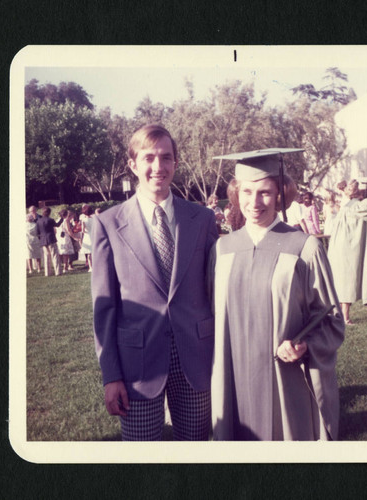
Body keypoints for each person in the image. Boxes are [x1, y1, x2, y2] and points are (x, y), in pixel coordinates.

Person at [92, 124, 218, 441]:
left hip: (195, 358)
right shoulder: (108, 224)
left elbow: (217, 291)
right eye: (149, 158)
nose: (158, 167)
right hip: (137, 366)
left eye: (166, 157)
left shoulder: (202, 219)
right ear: (133, 164)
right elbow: (104, 307)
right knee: (143, 456)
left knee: (196, 451)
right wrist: (111, 375)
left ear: (176, 162)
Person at [210, 150, 344, 441]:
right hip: (233, 377)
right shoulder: (222, 250)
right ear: (235, 193)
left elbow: (332, 321)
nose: (254, 202)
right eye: (247, 191)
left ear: (281, 195)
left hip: (285, 378)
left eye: (265, 193)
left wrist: (305, 344)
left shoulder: (304, 247)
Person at [327, 179, 367, 325]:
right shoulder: (361, 206)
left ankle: (340, 314)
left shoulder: (345, 206)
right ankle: (345, 317)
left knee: (341, 280)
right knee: (348, 281)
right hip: (349, 249)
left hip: (338, 247)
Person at [36, 207, 62, 276]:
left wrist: (40, 238)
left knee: (46, 257)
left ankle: (47, 273)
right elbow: (57, 225)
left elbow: (37, 232)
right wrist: (62, 218)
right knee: (55, 255)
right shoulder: (50, 220)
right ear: (49, 213)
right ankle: (58, 272)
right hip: (51, 239)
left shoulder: (38, 221)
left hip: (43, 240)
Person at [80, 204, 94, 272]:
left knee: (89, 253)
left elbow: (82, 230)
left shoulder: (83, 220)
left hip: (87, 236)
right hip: (93, 235)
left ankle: (90, 267)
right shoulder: (94, 219)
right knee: (94, 252)